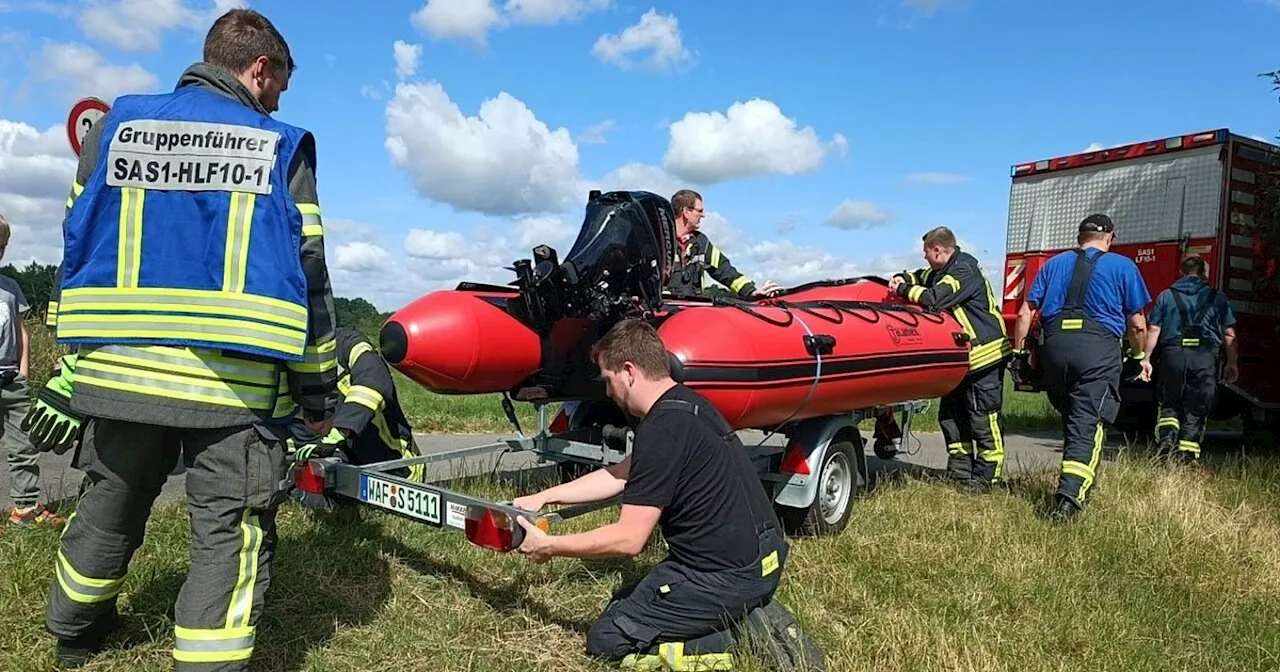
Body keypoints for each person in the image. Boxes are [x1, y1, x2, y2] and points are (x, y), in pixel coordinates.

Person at [41, 9, 340, 670]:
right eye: (280, 86)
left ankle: (71, 632)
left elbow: (75, 241)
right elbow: (308, 277)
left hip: (119, 378)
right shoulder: (277, 144)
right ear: (259, 69)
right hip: (233, 394)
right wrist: (318, 394)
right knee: (225, 537)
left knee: (108, 507)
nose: (279, 102)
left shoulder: (115, 128)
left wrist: (68, 369)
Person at [510, 318, 824, 671]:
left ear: (628, 372)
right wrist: (544, 497)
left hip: (725, 577)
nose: (609, 392)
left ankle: (739, 636)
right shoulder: (687, 405)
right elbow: (618, 475)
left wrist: (548, 546)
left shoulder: (662, 429)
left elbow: (629, 540)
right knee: (625, 600)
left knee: (607, 638)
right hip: (763, 557)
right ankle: (743, 608)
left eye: (608, 380)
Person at [1013, 214, 1151, 521]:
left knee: (1073, 418)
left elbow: (1025, 314)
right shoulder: (1123, 266)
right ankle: (1069, 498)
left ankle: (1075, 475)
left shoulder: (1052, 264)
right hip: (1096, 350)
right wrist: (1138, 357)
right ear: (1110, 238)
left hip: (1055, 348)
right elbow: (1138, 324)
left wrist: (1020, 353)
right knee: (1086, 422)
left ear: (1080, 237)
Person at [888, 226, 1012, 491]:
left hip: (985, 357)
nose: (924, 258)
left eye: (926, 253)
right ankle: (960, 472)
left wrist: (902, 290)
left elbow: (935, 298)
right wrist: (903, 276)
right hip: (962, 362)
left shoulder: (963, 271)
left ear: (937, 250)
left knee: (983, 419)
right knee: (951, 417)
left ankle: (987, 478)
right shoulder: (942, 271)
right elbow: (921, 276)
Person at [1138, 255, 1239, 463]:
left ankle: (1166, 443)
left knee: (1169, 403)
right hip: (1204, 358)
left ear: (1181, 273)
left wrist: (1146, 359)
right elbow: (1230, 335)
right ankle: (1187, 454)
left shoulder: (1166, 296)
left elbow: (1154, 329)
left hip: (1173, 356)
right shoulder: (1217, 297)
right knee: (1197, 405)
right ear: (1203, 273)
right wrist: (1232, 363)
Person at [294, 327, 424, 483]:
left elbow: (374, 379)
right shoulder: (292, 360)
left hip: (397, 468)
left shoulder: (348, 343)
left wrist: (339, 432)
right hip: (342, 464)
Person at [0, 215, 64, 527]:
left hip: (12, 381)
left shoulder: (10, 287)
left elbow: (22, 331)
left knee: (23, 448)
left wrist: (23, 372)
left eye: (0, 247)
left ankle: (25, 508)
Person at [665, 189, 782, 299]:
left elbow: (725, 271)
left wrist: (751, 292)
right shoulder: (659, 241)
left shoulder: (701, 242)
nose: (703, 215)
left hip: (690, 312)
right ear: (686, 212)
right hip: (661, 314)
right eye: (699, 211)